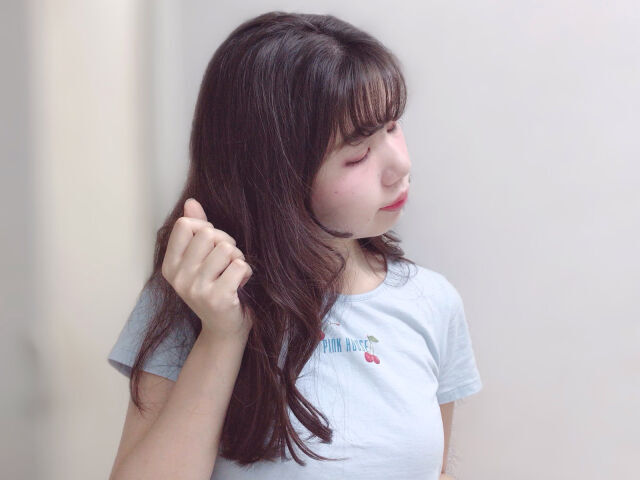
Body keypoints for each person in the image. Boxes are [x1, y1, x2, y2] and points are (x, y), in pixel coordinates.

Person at [106, 10, 482, 480]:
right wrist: (223, 334)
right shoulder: (194, 301)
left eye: (391, 126)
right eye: (358, 154)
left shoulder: (431, 301)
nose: (399, 166)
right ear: (274, 176)